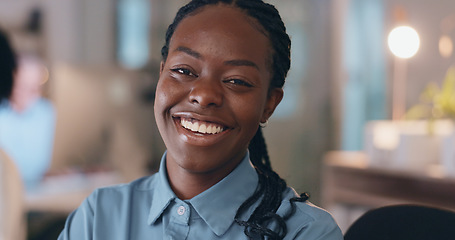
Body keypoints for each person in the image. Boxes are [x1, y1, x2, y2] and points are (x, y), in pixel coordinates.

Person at [58, 0, 343, 239]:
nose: (204, 95)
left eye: (236, 80)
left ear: (269, 103)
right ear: (161, 74)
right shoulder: (99, 217)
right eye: (183, 70)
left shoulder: (306, 232)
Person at [0, 31, 56, 189]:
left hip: (43, 190)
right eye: (20, 88)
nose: (26, 96)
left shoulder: (49, 114)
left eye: (33, 90)